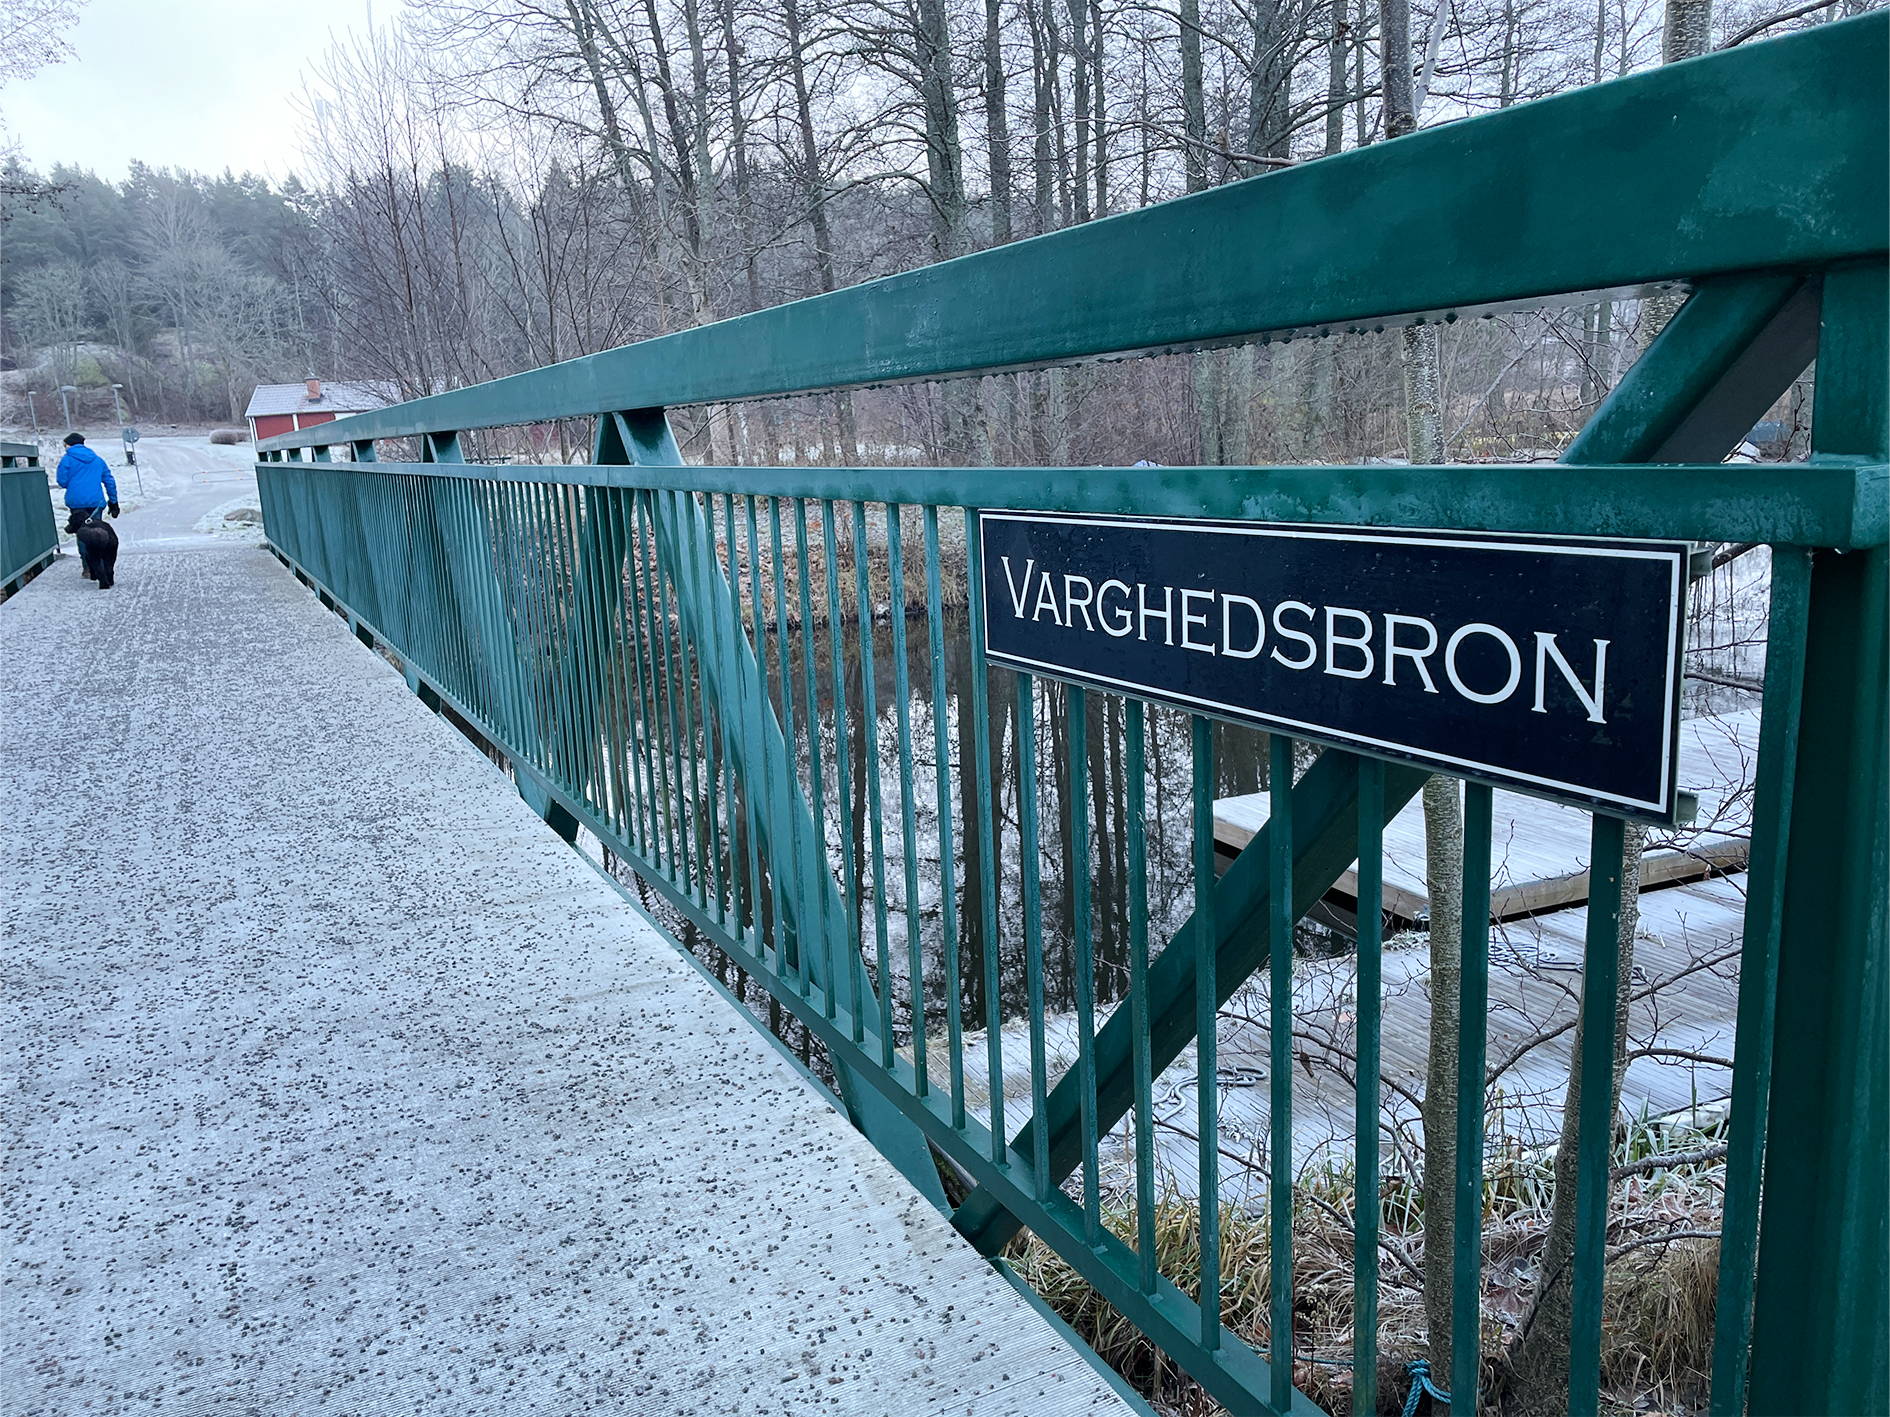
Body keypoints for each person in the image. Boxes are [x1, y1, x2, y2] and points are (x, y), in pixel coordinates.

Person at [55, 432, 120, 583]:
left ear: (70, 445)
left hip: (76, 502)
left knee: (83, 533)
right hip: (95, 502)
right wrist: (113, 502)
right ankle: (103, 566)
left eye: (65, 445)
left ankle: (88, 567)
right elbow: (109, 481)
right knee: (98, 531)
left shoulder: (67, 459)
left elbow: (62, 481)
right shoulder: (97, 460)